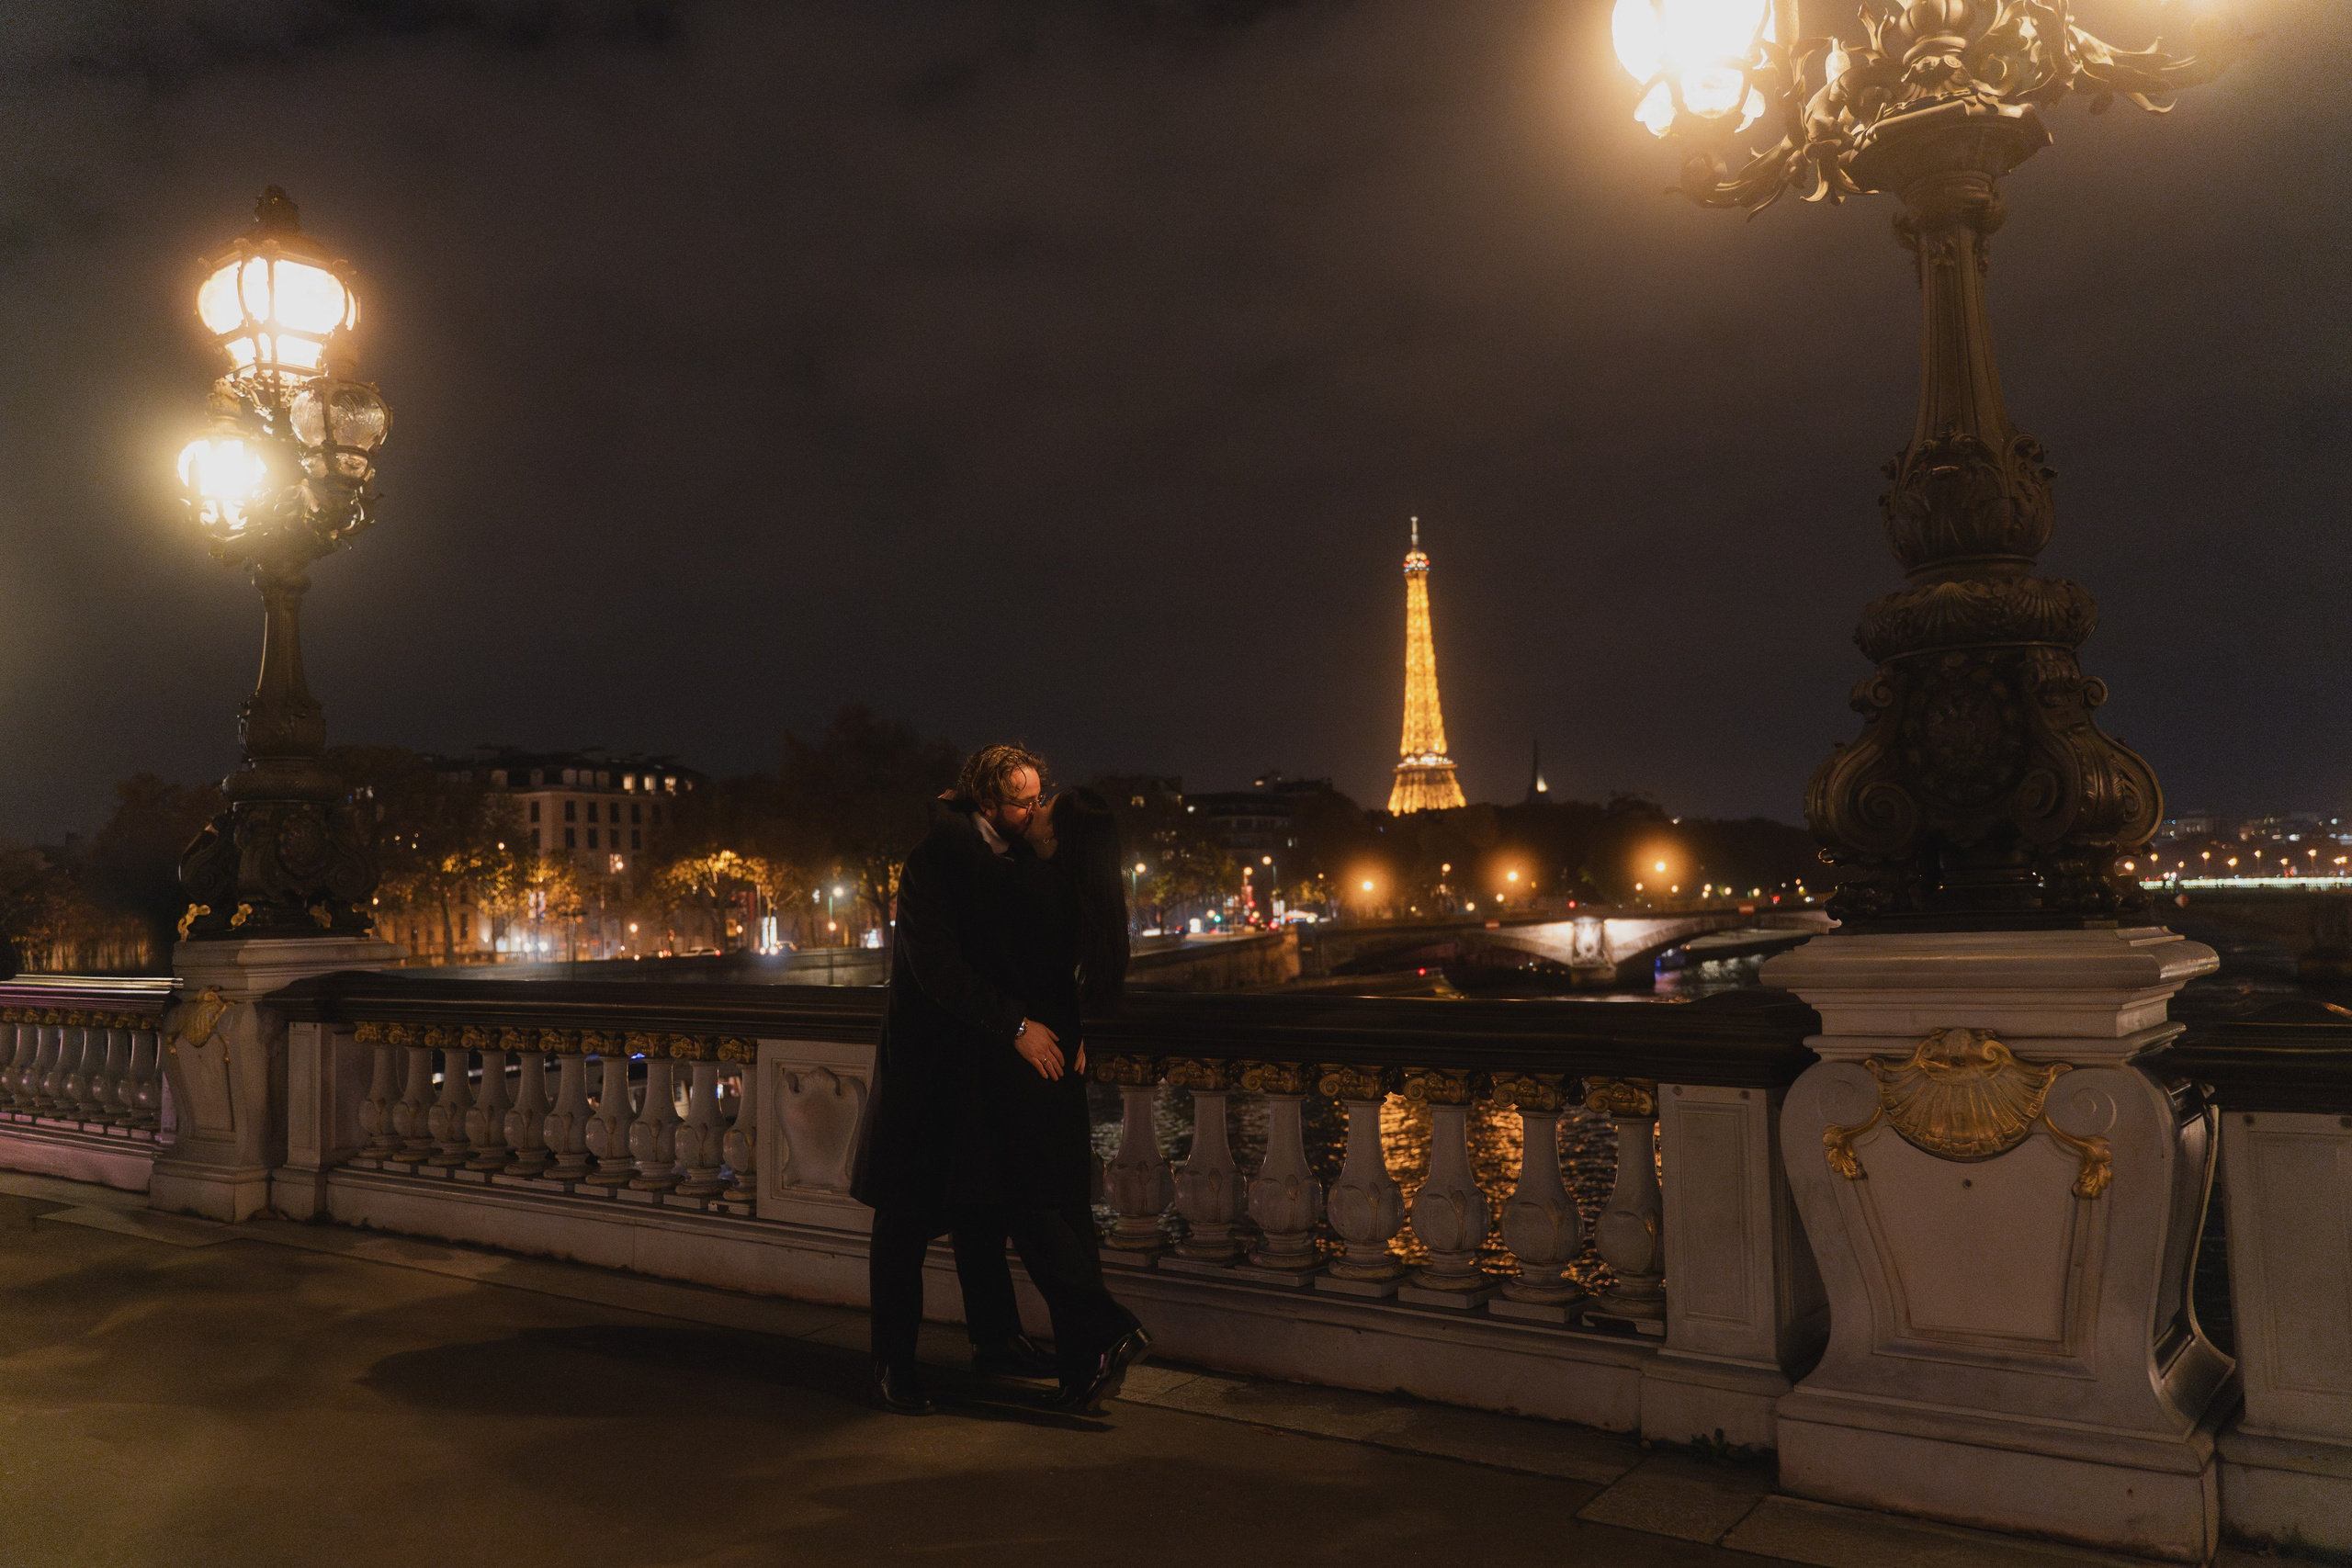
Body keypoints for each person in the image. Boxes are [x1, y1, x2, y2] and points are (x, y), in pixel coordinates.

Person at [850, 745, 1148, 1416]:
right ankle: (892, 1364)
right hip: (929, 1068)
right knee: (903, 1221)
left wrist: (1066, 1025)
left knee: (981, 1213)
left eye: (1041, 797)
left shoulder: (1015, 861)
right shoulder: (934, 862)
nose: (1035, 809)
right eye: (1024, 800)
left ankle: (998, 1341)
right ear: (988, 802)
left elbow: (1030, 964)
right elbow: (939, 970)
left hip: (981, 1066)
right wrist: (1018, 1026)